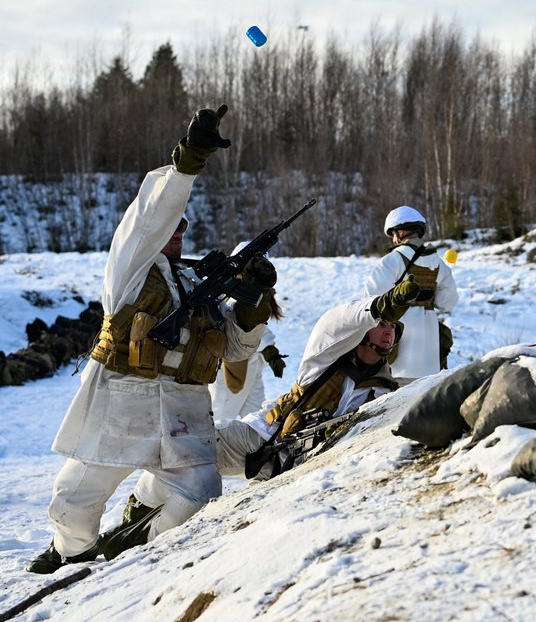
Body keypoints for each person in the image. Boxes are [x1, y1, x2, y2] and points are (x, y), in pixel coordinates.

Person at [27, 105, 273, 574]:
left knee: (199, 495)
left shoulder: (193, 284)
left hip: (183, 414)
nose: (176, 235)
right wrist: (188, 163)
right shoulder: (131, 272)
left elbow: (238, 349)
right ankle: (70, 554)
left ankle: (133, 545)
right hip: (121, 407)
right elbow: (148, 217)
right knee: (72, 504)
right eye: (170, 227)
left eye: (182, 229)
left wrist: (253, 300)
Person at [113, 286, 419, 542]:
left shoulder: (383, 391)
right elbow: (334, 322)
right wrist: (381, 306)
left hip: (289, 471)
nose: (388, 332)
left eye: (392, 327)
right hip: (259, 438)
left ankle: (143, 541)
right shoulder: (324, 362)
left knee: (208, 504)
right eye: (382, 324)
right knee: (187, 451)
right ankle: (137, 510)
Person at [364, 206, 458, 377]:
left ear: (400, 232)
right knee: (425, 392)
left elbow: (372, 303)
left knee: (395, 394)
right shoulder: (438, 264)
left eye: (393, 234)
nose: (393, 240)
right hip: (429, 347)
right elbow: (448, 302)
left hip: (397, 340)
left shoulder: (391, 261)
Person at [209, 242, 287, 427]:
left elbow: (258, 326)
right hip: (230, 368)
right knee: (220, 420)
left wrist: (269, 350)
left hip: (253, 365)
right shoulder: (228, 291)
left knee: (256, 420)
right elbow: (237, 324)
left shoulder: (256, 292)